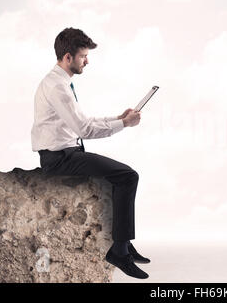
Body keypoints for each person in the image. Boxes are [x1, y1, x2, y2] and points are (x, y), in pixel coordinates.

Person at [31, 27, 150, 279]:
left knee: (118, 177)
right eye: (83, 56)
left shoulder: (60, 82)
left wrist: (117, 118)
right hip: (59, 159)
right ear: (67, 57)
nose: (88, 61)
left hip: (68, 152)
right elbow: (84, 129)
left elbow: (83, 120)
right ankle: (119, 251)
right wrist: (125, 125)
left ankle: (124, 243)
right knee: (128, 176)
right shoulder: (57, 88)